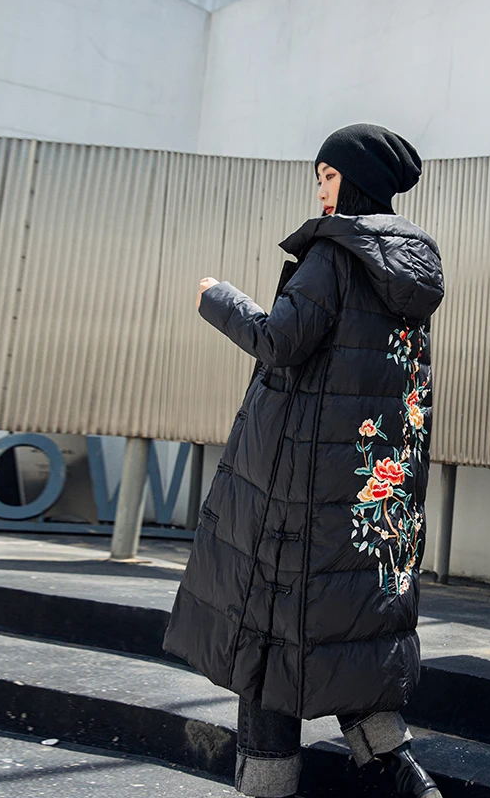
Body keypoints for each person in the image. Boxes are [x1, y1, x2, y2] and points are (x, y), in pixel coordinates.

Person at [163, 123, 445, 798]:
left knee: (267, 647)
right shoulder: (409, 268)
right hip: (364, 499)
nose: (318, 189)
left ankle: (268, 788)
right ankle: (403, 775)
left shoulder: (334, 253)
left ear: (350, 180)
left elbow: (281, 342)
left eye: (325, 175)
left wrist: (218, 299)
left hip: (294, 492)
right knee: (341, 636)